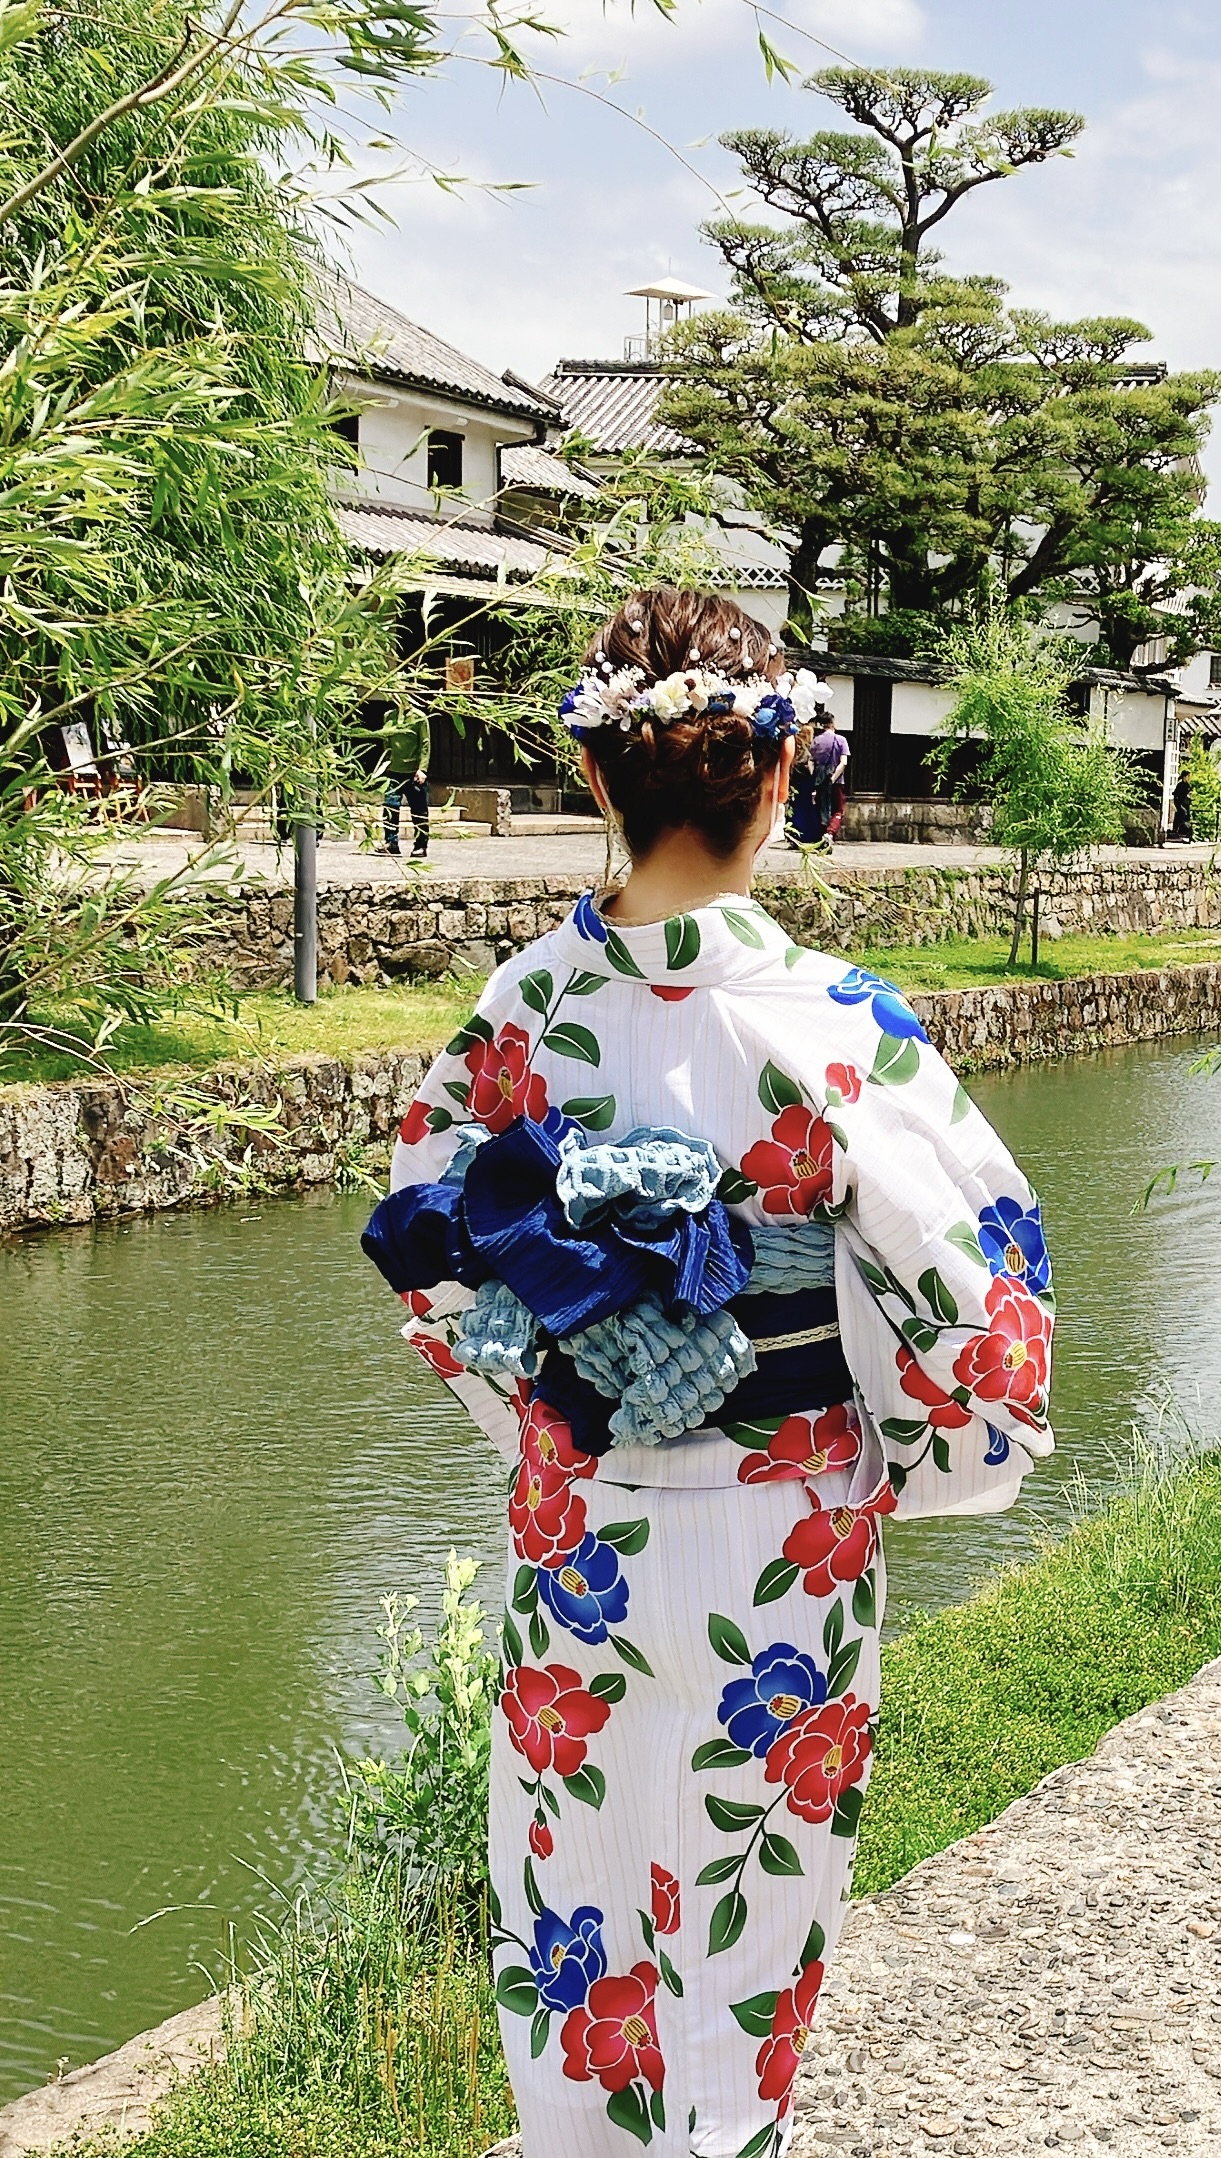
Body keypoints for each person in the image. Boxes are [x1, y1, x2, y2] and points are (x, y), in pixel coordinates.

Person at [361, 588, 1054, 2157]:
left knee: (575, 1896)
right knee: (748, 1897)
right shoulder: (837, 1024)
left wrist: (554, 1406)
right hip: (784, 1523)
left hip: (576, 1522)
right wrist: (920, 1457)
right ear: (784, 769)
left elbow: (430, 1261)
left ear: (595, 778)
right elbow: (980, 1308)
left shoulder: (518, 1011)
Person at [380, 700, 431, 859]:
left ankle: (421, 845)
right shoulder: (389, 716)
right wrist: (386, 763)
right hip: (394, 770)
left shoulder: (419, 717)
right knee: (390, 807)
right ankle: (391, 842)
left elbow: (425, 744)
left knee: (419, 811)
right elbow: (386, 740)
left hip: (413, 772)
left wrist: (422, 768)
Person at [809, 706, 850, 840]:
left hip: (819, 779)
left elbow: (811, 761)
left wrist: (814, 777)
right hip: (837, 781)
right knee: (838, 809)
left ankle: (822, 833)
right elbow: (843, 762)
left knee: (822, 808)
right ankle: (830, 832)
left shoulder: (816, 740)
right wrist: (833, 778)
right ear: (832, 723)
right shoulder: (841, 740)